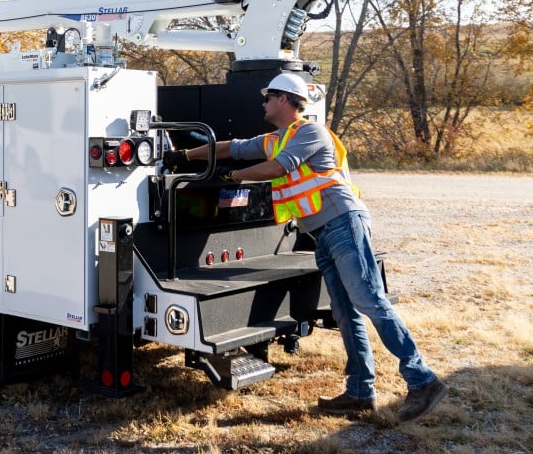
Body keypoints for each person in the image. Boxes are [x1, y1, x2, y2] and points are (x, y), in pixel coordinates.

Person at [168, 72, 447, 422]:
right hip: (324, 233)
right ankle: (360, 392)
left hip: (344, 224)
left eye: (268, 97)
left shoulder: (309, 132)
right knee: (346, 313)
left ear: (284, 99)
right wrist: (183, 155)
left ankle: (422, 380)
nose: (263, 102)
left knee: (369, 301)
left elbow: (278, 168)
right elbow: (231, 146)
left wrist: (231, 176)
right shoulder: (276, 138)